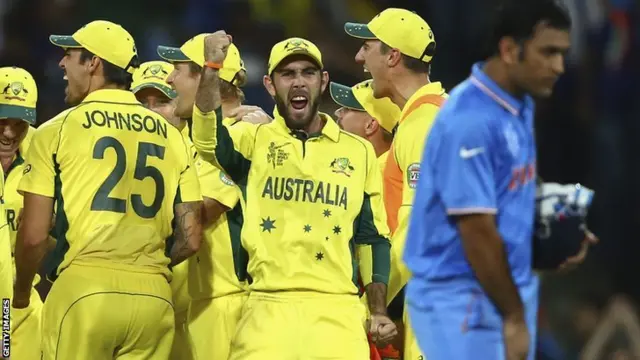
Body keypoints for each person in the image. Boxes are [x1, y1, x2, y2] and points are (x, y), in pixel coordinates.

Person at [191, 32, 396, 359]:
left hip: (337, 311)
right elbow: (206, 138)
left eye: (308, 73)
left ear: (323, 81)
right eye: (288, 74)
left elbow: (372, 238)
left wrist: (379, 310)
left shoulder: (358, 152)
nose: (298, 82)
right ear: (271, 85)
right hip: (267, 308)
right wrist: (212, 67)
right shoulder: (253, 141)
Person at [13, 20, 203, 359]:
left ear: (93, 63)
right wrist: (145, 267)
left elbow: (33, 236)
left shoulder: (56, 130)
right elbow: (191, 237)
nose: (61, 63)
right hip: (154, 300)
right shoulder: (172, 136)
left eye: (69, 54)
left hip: (85, 293)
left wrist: (22, 292)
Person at [402, 2, 572, 359]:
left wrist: (558, 218)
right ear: (510, 50)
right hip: (458, 302)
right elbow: (476, 230)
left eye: (563, 53)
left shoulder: (516, 103)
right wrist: (513, 317)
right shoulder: (470, 120)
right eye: (549, 52)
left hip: (490, 295)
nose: (559, 66)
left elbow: (512, 182)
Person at [157, 34, 268, 360]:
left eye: (178, 70)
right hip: (210, 299)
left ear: (206, 80)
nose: (169, 79)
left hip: (228, 299)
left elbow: (202, 212)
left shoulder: (240, 134)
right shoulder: (204, 136)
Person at [345, 8, 447, 359]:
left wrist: (370, 302)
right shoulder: (428, 118)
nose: (359, 56)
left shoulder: (425, 124)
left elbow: (420, 226)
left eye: (367, 47)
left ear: (393, 56)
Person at [330, 78, 402, 359]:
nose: (337, 114)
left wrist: (371, 310)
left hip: (366, 318)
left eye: (346, 109)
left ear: (371, 125)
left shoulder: (382, 175)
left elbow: (384, 249)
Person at [130, 60, 194, 360]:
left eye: (163, 102)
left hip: (193, 314)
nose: (151, 112)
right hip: (138, 303)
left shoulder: (201, 151)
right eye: (143, 103)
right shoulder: (110, 162)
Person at [0, 66, 39, 360]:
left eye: (19, 122)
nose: (9, 132)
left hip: (19, 298)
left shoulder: (41, 151)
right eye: (1, 120)